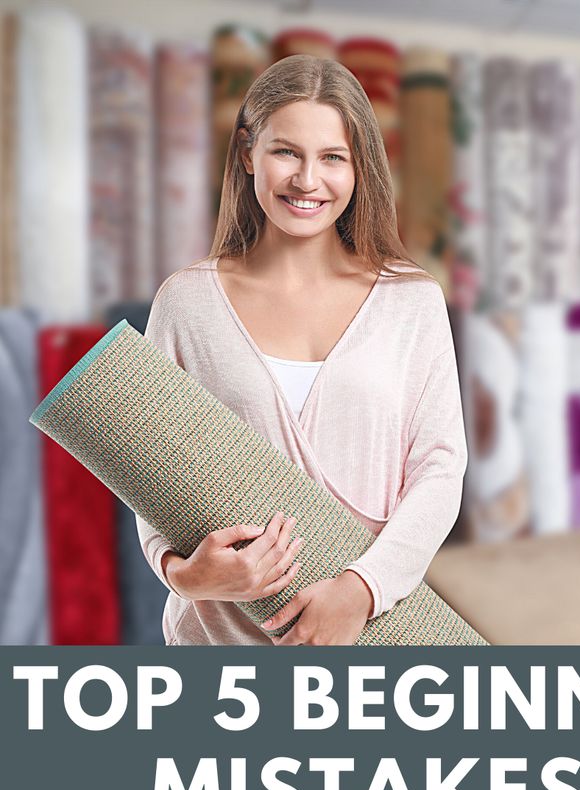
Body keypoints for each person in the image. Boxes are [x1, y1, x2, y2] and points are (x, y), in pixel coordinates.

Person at [137, 54, 467, 646]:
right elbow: (149, 465)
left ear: (359, 168)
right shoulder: (187, 303)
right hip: (216, 643)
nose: (307, 180)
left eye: (332, 158)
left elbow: (440, 468)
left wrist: (360, 588)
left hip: (365, 630)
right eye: (286, 151)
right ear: (247, 154)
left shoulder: (410, 302)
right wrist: (183, 574)